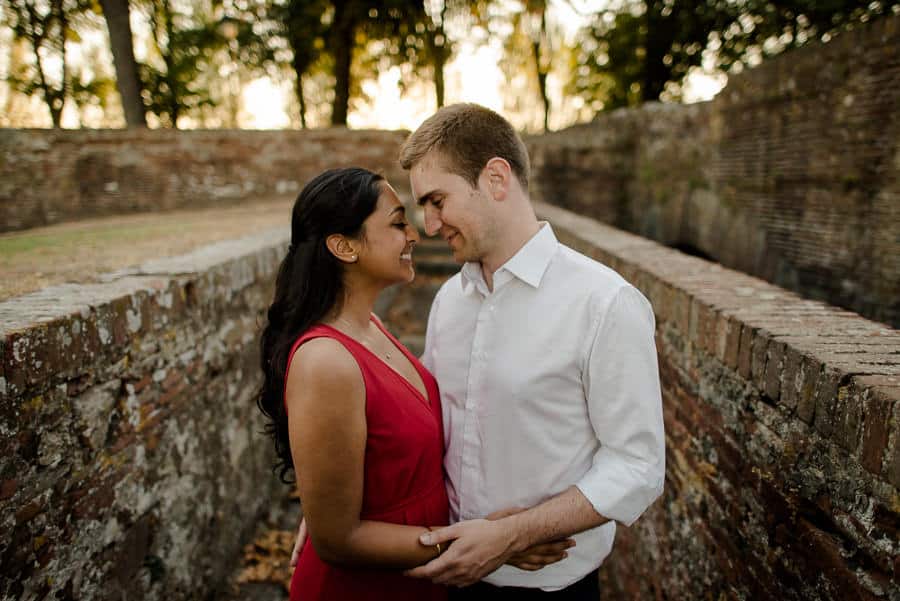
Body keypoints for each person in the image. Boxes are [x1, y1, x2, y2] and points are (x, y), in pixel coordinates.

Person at [259, 167, 570, 601]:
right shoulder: (325, 362)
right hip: (365, 587)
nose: (415, 235)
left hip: (418, 573)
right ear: (343, 246)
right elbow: (336, 540)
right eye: (397, 222)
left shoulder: (372, 326)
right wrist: (480, 542)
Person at [395, 103, 666, 599]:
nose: (429, 225)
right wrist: (339, 511)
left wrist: (516, 534)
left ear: (496, 178)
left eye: (437, 201)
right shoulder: (449, 302)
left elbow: (638, 465)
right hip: (448, 574)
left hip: (550, 588)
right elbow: (426, 430)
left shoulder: (604, 303)